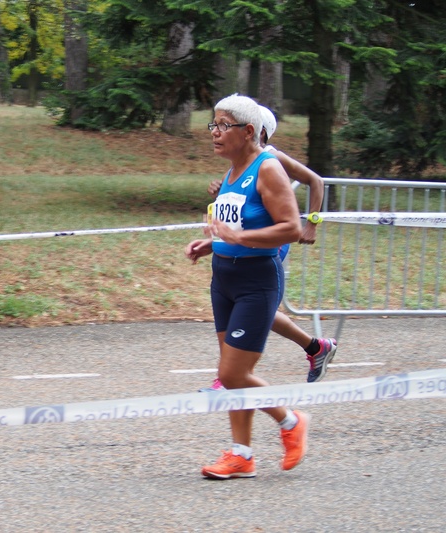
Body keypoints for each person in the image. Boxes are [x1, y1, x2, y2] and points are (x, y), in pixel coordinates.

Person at [185, 94, 309, 479]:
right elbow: (236, 225)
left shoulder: (267, 167)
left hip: (257, 280)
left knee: (233, 374)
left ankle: (291, 422)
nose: (215, 133)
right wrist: (213, 244)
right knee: (231, 375)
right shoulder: (232, 170)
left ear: (249, 131)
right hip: (224, 278)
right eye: (213, 125)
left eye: (223, 125)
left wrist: (239, 239)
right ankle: (241, 454)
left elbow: (291, 227)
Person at [202, 105, 336, 389]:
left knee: (254, 304)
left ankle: (233, 375)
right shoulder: (239, 161)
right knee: (257, 309)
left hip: (268, 241)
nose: (219, 132)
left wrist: (312, 221)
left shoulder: (270, 157)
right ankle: (314, 347)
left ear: (257, 131)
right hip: (244, 240)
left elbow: (315, 180)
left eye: (227, 126)